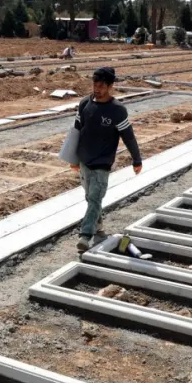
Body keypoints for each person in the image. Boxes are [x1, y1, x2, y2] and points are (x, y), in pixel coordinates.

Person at [70, 67, 142, 251]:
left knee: (94, 198)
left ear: (110, 86)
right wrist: (73, 157)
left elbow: (129, 136)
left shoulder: (117, 110)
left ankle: (85, 236)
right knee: (90, 198)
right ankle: (99, 226)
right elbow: (76, 131)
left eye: (101, 86)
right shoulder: (85, 104)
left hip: (103, 163)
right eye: (95, 84)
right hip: (85, 160)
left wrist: (136, 159)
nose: (97, 88)